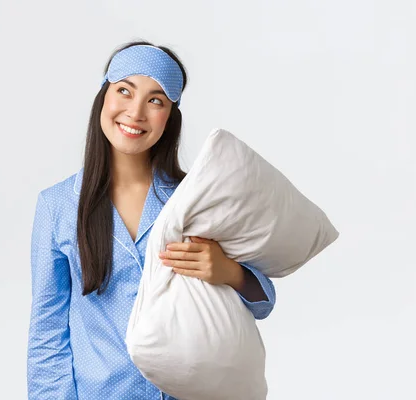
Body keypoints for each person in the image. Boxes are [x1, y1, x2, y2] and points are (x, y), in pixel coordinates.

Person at [27, 41, 277, 400]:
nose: (135, 112)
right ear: (104, 96)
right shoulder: (58, 206)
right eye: (124, 91)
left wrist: (228, 271)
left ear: (170, 117)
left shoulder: (196, 199)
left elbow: (263, 300)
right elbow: (47, 334)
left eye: (155, 100)